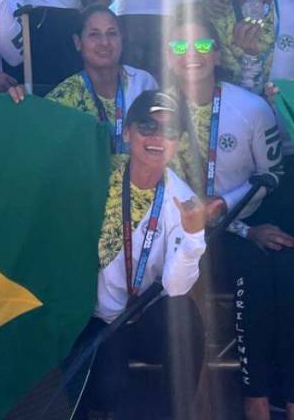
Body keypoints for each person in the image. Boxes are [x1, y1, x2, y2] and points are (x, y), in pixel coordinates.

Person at [163, 8, 294, 420]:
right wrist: (243, 228)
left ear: (218, 52)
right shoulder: (159, 111)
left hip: (238, 228)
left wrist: (232, 215)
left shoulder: (252, 107)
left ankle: (287, 400)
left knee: (288, 269)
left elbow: (273, 174)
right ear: (170, 56)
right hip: (181, 234)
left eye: (203, 43)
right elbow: (162, 187)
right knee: (252, 272)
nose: (193, 53)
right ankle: (245, 401)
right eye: (180, 45)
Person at [82, 90, 208, 420]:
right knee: (107, 389)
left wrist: (193, 236)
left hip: (142, 317)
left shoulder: (181, 198)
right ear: (127, 131)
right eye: (147, 126)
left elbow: (176, 287)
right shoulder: (97, 177)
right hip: (95, 319)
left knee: (185, 316)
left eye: (168, 131)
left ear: (178, 141)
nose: (156, 137)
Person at [44, 5, 158, 151]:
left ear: (121, 39)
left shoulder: (143, 83)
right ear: (78, 42)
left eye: (111, 33)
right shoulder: (63, 98)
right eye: (94, 34)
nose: (104, 42)